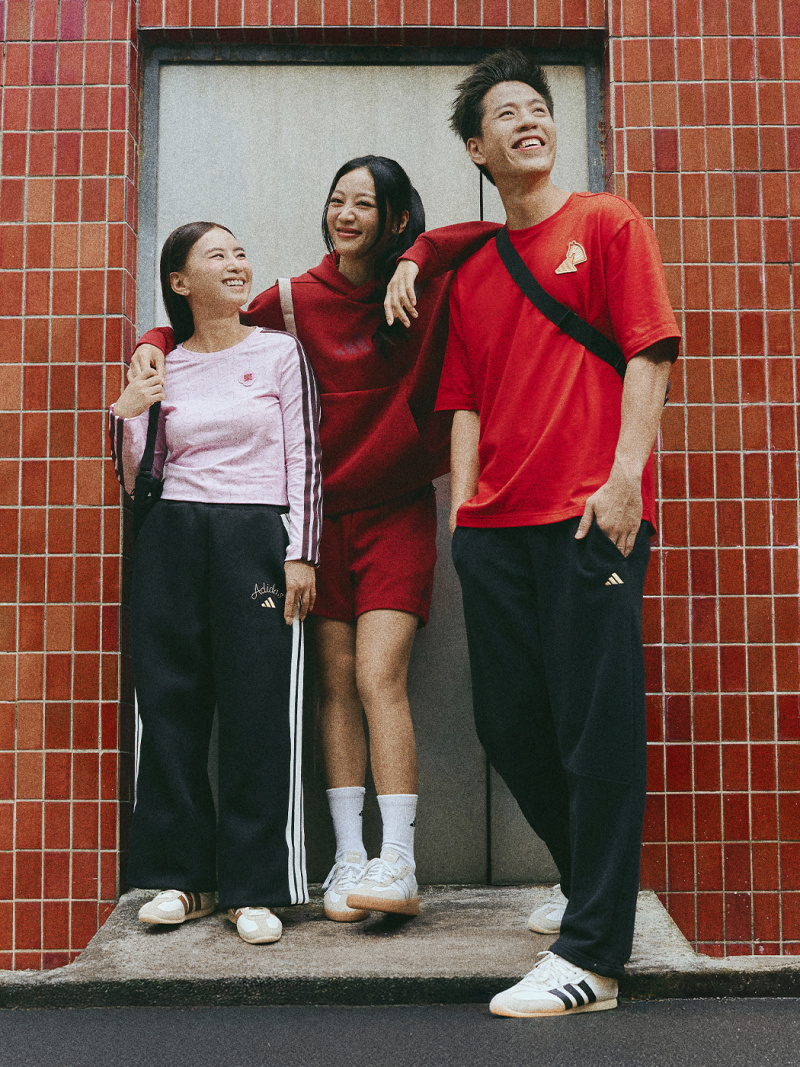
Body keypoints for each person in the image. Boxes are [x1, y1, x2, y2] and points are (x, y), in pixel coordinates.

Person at [130, 158, 496, 923]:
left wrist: (421, 259)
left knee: (376, 676)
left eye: (366, 203)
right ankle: (346, 858)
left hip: (390, 509)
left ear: (397, 218)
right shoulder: (291, 301)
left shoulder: (421, 284)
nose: (346, 214)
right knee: (329, 682)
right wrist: (154, 337)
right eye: (337, 200)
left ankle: (396, 856)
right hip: (321, 519)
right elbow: (205, 315)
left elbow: (496, 233)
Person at [429, 50, 681, 1016]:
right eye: (507, 112)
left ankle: (594, 957)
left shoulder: (607, 224)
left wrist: (625, 480)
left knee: (597, 728)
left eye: (539, 106)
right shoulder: (478, 273)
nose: (530, 119)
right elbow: (463, 399)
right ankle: (593, 886)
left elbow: (649, 352)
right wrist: (464, 510)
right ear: (477, 148)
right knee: (510, 725)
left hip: (589, 515)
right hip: (495, 529)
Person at [109, 221, 321, 944]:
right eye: (216, 256)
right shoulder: (161, 363)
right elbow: (137, 477)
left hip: (256, 538)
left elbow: (306, 457)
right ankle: (184, 878)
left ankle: (255, 884)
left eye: (239, 253)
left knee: (259, 707)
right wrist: (127, 415)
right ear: (179, 283)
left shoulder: (279, 352)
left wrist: (301, 553)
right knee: (170, 705)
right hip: (171, 535)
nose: (236, 264)